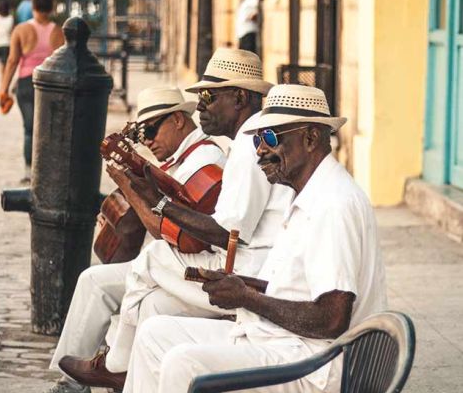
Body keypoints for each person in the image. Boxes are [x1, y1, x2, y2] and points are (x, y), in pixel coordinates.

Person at [53, 48, 294, 392]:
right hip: (248, 262)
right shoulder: (249, 139)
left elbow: (226, 231)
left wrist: (160, 202)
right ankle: (116, 375)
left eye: (209, 97)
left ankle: (116, 364)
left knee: (153, 257)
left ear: (240, 97)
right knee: (152, 304)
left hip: (249, 274)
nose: (201, 107)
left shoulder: (249, 143)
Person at [123, 84, 387, 393]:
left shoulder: (332, 205)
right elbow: (297, 288)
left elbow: (332, 318)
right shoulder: (306, 193)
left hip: (317, 364)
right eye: (259, 139)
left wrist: (247, 298)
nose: (260, 150)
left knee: (183, 363)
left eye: (271, 138)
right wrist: (241, 287)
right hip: (285, 342)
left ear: (311, 138)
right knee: (155, 333)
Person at [45, 86, 227, 393]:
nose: (147, 141)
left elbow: (171, 231)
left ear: (179, 120)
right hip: (176, 262)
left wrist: (129, 188)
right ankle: (77, 380)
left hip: (195, 266)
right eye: (142, 134)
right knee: (95, 280)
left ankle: (101, 374)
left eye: (151, 130)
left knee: (107, 285)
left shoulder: (204, 159)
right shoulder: (177, 159)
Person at [0, 0, 64, 183]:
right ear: (52, 8)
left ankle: (29, 171)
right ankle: (48, 169)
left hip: (27, 83)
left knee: (29, 128)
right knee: (50, 128)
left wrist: (3, 90)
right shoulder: (59, 32)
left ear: (32, 6)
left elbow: (12, 61)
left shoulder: (20, 30)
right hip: (51, 84)